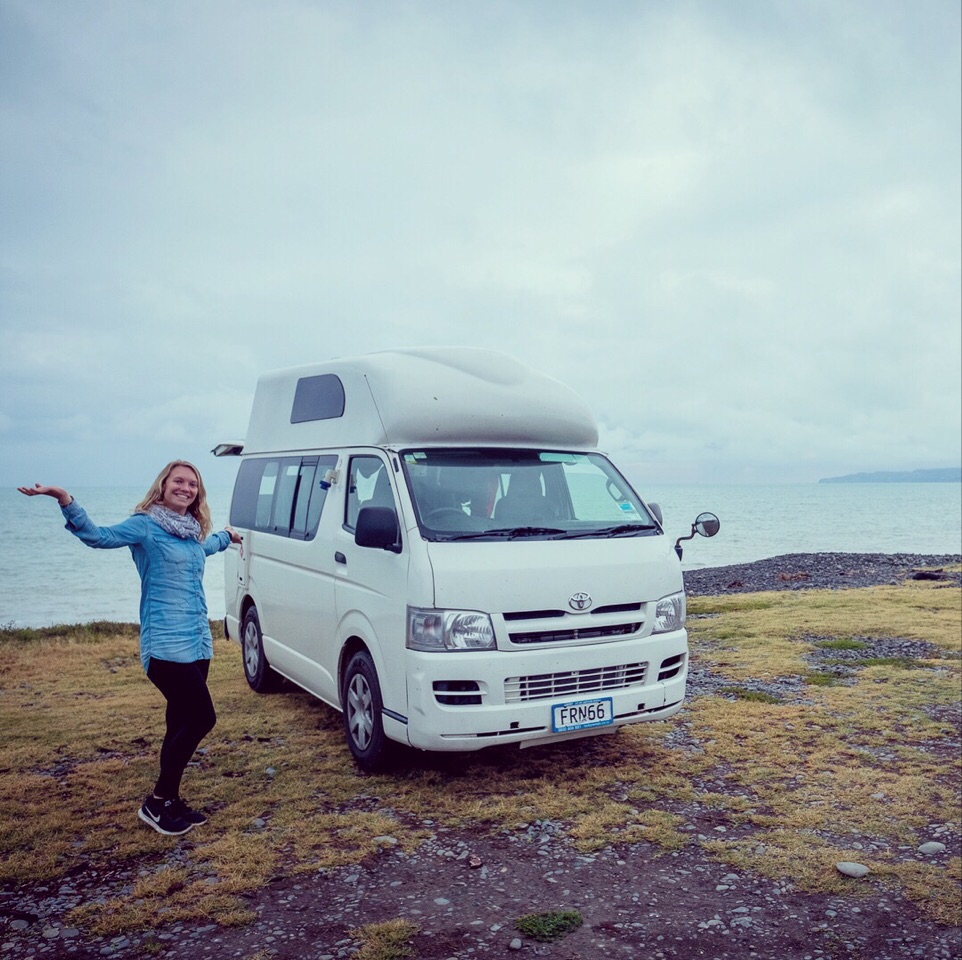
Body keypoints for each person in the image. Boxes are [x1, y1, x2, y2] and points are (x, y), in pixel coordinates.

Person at [18, 460, 242, 837]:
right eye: (178, 481)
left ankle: (170, 801)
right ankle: (156, 802)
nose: (185, 488)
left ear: (198, 492)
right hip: (164, 647)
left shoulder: (191, 533)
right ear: (163, 485)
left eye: (192, 484)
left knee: (179, 722)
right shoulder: (145, 525)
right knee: (202, 718)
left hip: (197, 643)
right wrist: (64, 499)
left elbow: (205, 549)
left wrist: (228, 536)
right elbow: (98, 536)